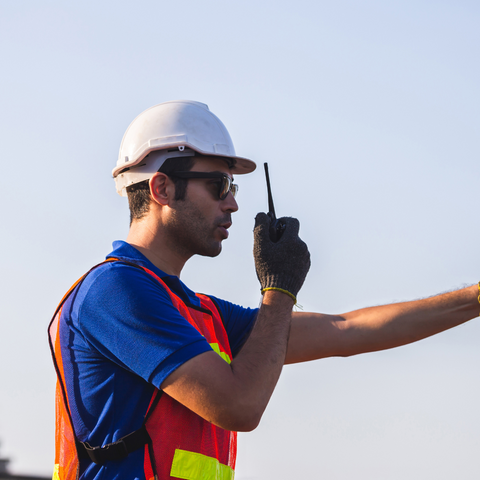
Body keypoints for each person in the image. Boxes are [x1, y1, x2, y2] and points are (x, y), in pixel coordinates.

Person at [49, 100, 480, 480]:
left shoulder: (196, 313)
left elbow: (347, 330)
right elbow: (238, 406)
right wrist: (278, 291)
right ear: (162, 187)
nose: (232, 202)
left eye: (232, 188)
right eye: (218, 185)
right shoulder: (115, 292)